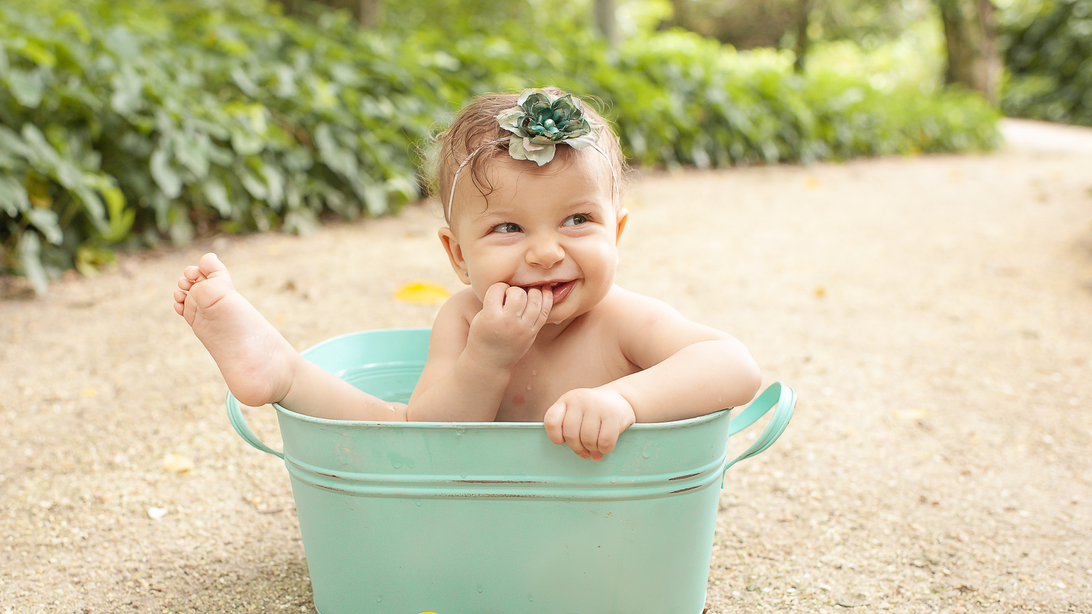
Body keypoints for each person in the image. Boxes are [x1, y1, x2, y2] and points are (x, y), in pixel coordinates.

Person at [174, 88, 761, 460]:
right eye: (508, 229)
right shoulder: (464, 317)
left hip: (596, 519)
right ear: (458, 257)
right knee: (396, 427)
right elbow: (435, 436)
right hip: (474, 509)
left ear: (617, 234)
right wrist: (488, 357)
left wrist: (625, 401)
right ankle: (284, 374)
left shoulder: (625, 320)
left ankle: (283, 372)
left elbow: (735, 367)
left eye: (578, 219)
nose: (545, 253)